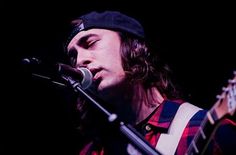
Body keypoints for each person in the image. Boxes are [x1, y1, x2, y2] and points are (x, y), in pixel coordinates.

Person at [63, 10, 236, 155]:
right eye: (73, 56)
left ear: (132, 47)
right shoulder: (91, 152)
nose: (80, 61)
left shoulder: (203, 128)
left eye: (91, 43)